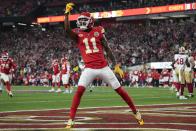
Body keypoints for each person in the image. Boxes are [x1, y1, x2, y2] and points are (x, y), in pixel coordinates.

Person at [64, 3, 144, 128]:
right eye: (81, 21)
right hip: (89, 68)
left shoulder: (98, 31)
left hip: (103, 67)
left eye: (85, 20)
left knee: (120, 90)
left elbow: (107, 48)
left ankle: (136, 112)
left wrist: (116, 64)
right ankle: (71, 119)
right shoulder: (77, 34)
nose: (82, 23)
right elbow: (67, 30)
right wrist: (66, 14)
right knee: (79, 91)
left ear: (90, 21)